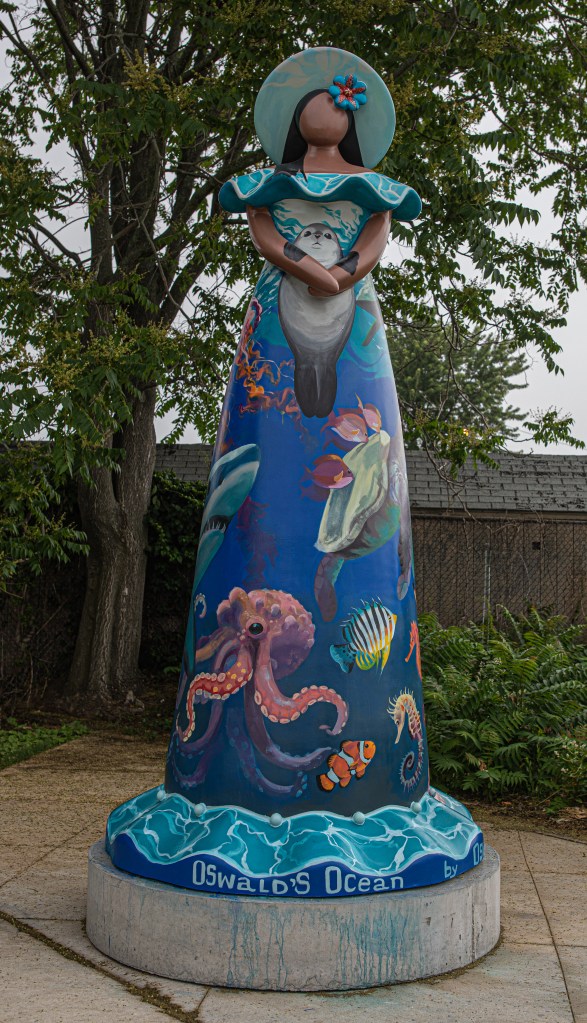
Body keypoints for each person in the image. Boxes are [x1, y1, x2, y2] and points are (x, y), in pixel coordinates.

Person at [107, 48, 483, 897]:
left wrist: (344, 271)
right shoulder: (270, 184)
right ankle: (217, 791)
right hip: (276, 325)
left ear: (352, 118)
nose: (327, 111)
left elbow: (377, 230)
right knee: (267, 482)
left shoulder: (370, 190)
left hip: (355, 330)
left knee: (363, 478)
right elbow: (262, 230)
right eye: (314, 102)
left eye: (338, 104)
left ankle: (382, 788)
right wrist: (304, 266)